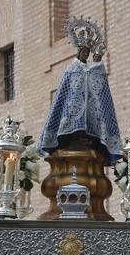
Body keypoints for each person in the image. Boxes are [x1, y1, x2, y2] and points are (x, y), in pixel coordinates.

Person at [37, 17, 122, 166]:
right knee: (72, 128)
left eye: (87, 52)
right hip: (72, 110)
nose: (85, 54)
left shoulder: (96, 71)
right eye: (83, 51)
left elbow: (103, 96)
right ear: (79, 52)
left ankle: (89, 140)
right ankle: (73, 139)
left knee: (92, 130)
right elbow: (63, 94)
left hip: (93, 114)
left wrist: (97, 65)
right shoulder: (72, 69)